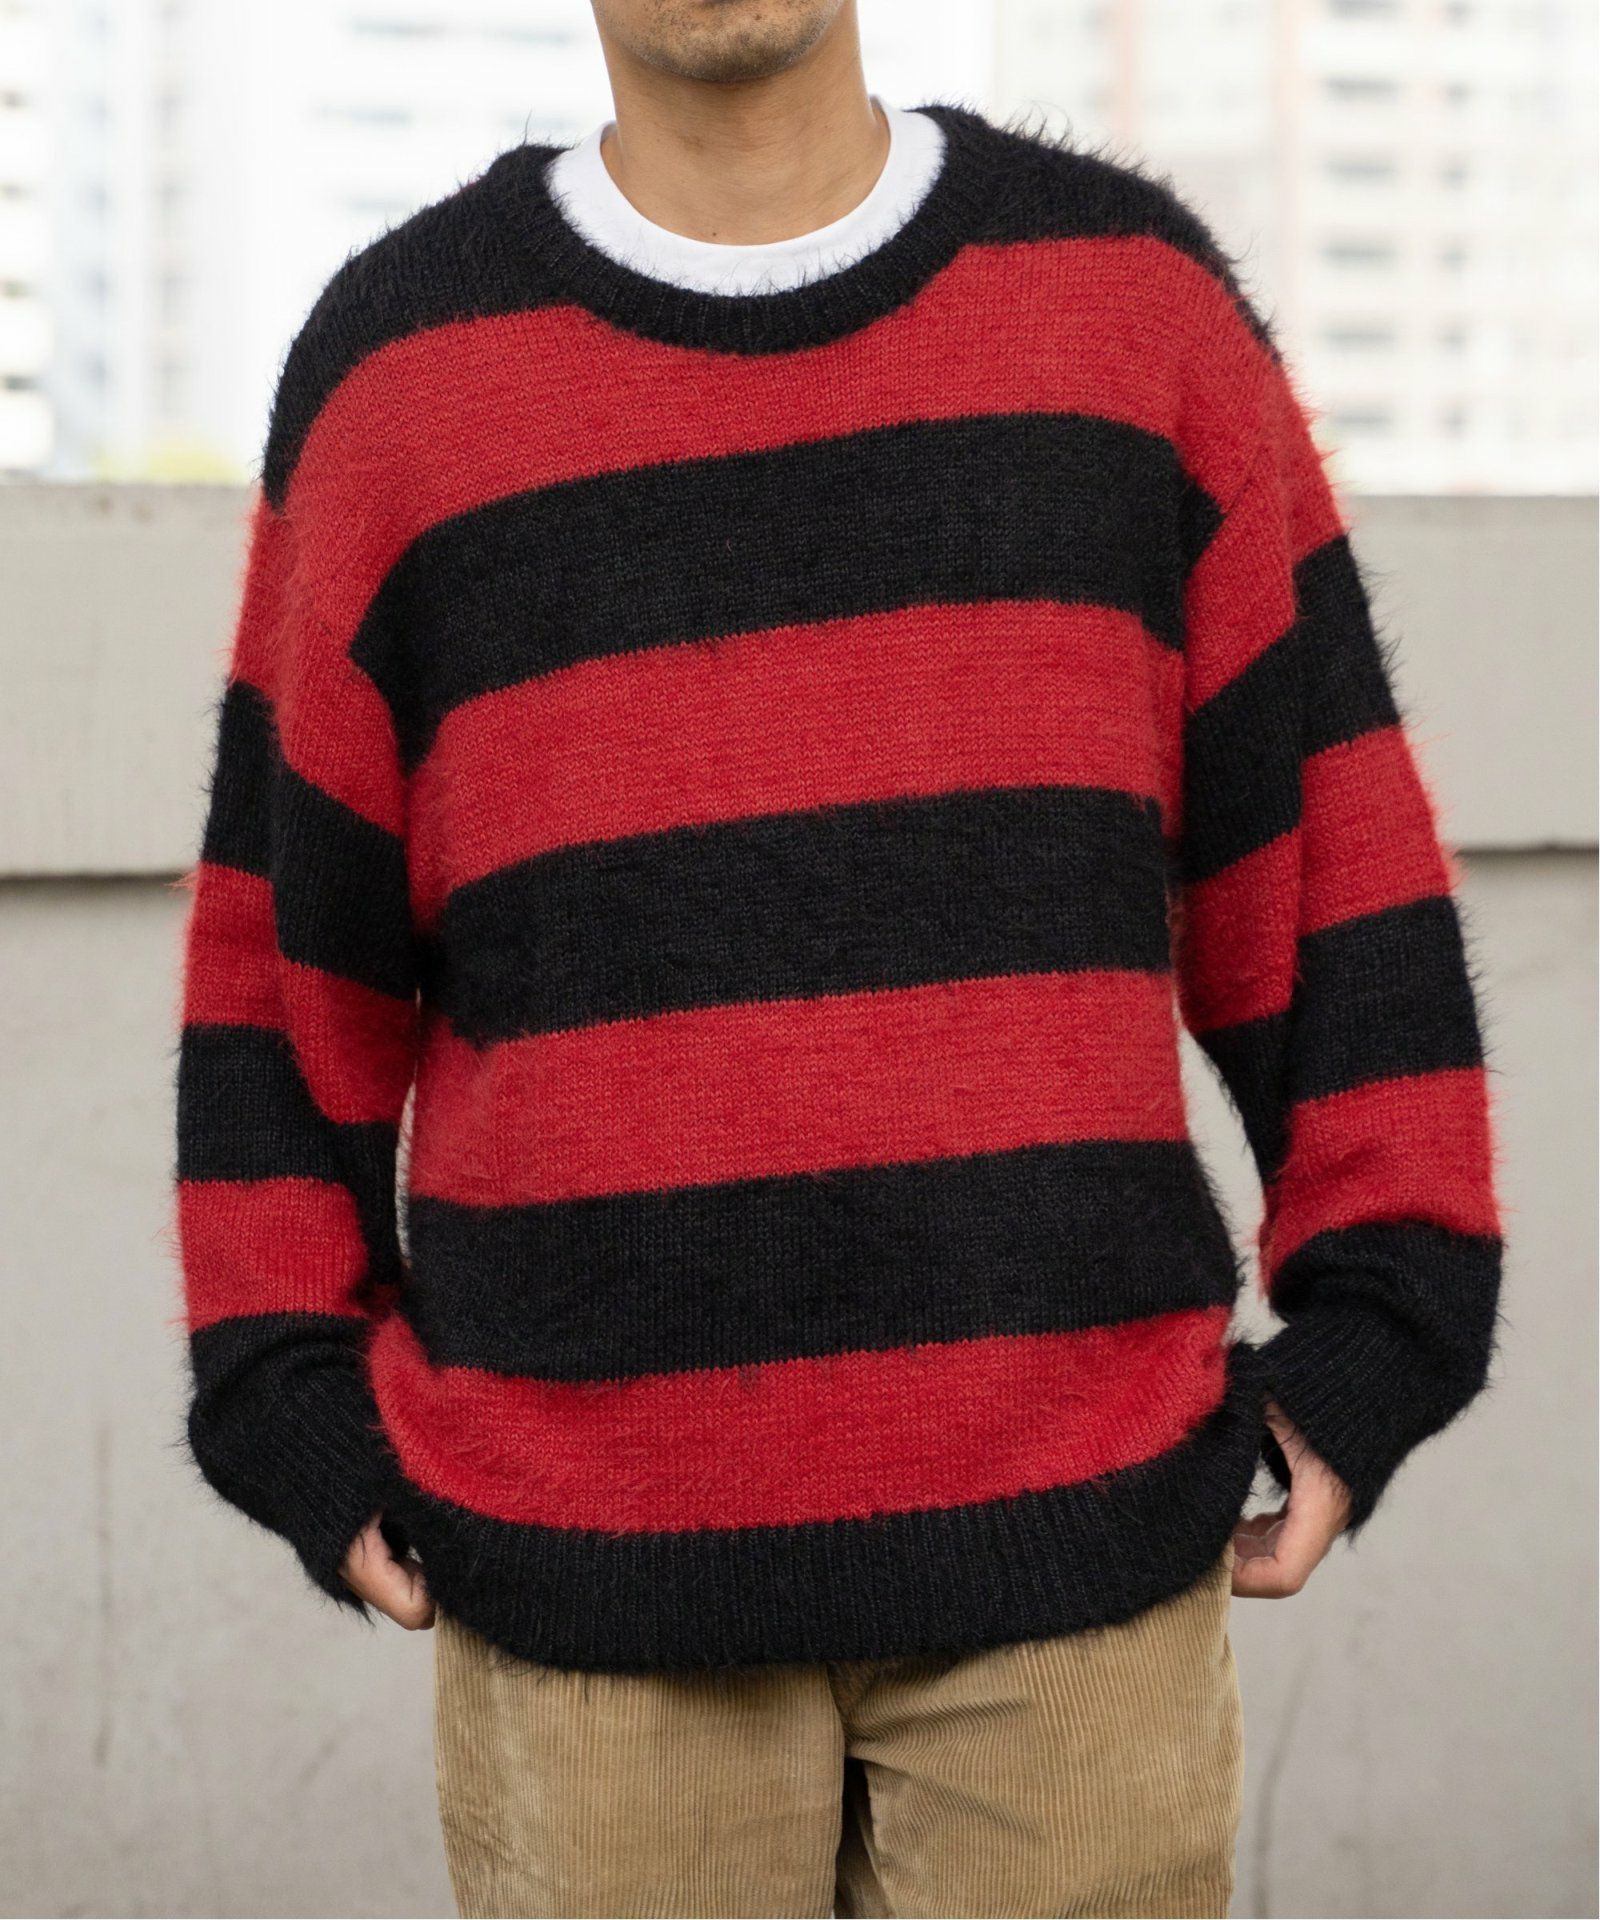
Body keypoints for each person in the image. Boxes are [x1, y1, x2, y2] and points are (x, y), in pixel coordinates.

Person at [174, 2, 1504, 1914]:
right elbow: (281, 966)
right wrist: (288, 1392)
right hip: (588, 1594)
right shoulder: (400, 375)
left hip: (1082, 1578)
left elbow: (1329, 868)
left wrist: (1384, 1327)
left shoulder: (1132, 314)